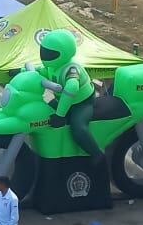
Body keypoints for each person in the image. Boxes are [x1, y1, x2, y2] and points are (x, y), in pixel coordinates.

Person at [35, 29, 100, 162]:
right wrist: (23, 71)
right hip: (61, 100)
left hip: (81, 102)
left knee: (78, 128)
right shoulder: (53, 65)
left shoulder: (71, 69)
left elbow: (72, 87)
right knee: (42, 114)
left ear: (63, 53)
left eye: (49, 53)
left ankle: (97, 155)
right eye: (44, 50)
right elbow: (43, 72)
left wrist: (60, 115)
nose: (45, 55)